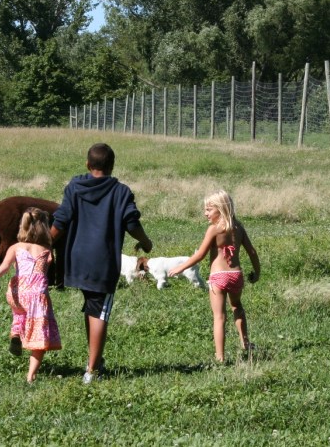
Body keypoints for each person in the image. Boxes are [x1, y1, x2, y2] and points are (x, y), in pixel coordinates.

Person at [50, 143, 154, 383]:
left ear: (88, 164)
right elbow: (132, 224)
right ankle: (92, 371)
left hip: (76, 260)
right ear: (112, 166)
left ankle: (95, 360)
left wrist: (44, 245)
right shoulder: (121, 192)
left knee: (92, 307)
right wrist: (146, 242)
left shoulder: (74, 187)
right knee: (100, 312)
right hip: (103, 262)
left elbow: (61, 221)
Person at [168, 190, 261, 362]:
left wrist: (180, 267)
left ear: (220, 209)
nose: (206, 213)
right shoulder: (238, 227)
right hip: (235, 275)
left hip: (218, 277)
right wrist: (257, 272)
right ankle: (245, 343)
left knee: (219, 317)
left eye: (209, 210)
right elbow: (252, 252)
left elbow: (200, 255)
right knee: (237, 306)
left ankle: (220, 357)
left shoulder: (213, 230)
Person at [0, 207, 61, 383]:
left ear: (23, 226)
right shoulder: (46, 249)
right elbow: (48, 264)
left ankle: (16, 334)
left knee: (20, 314)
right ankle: (31, 375)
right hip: (37, 295)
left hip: (17, 292)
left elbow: (4, 266)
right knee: (40, 336)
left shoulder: (16, 247)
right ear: (44, 226)